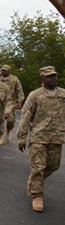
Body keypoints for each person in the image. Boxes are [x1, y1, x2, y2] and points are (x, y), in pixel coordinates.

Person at [16, 66, 65, 213]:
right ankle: (37, 195)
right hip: (39, 138)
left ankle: (34, 182)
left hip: (57, 137)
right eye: (49, 76)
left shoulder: (63, 94)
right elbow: (25, 118)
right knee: (38, 167)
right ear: (42, 79)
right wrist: (21, 137)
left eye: (54, 76)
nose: (53, 78)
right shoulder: (35, 95)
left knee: (53, 166)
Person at [0, 64, 25, 145]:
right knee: (0, 120)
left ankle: (8, 131)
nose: (2, 71)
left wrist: (20, 101)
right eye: (2, 70)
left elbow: (19, 91)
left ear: (9, 71)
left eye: (4, 70)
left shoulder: (14, 79)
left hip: (11, 103)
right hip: (0, 102)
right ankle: (0, 137)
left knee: (11, 121)